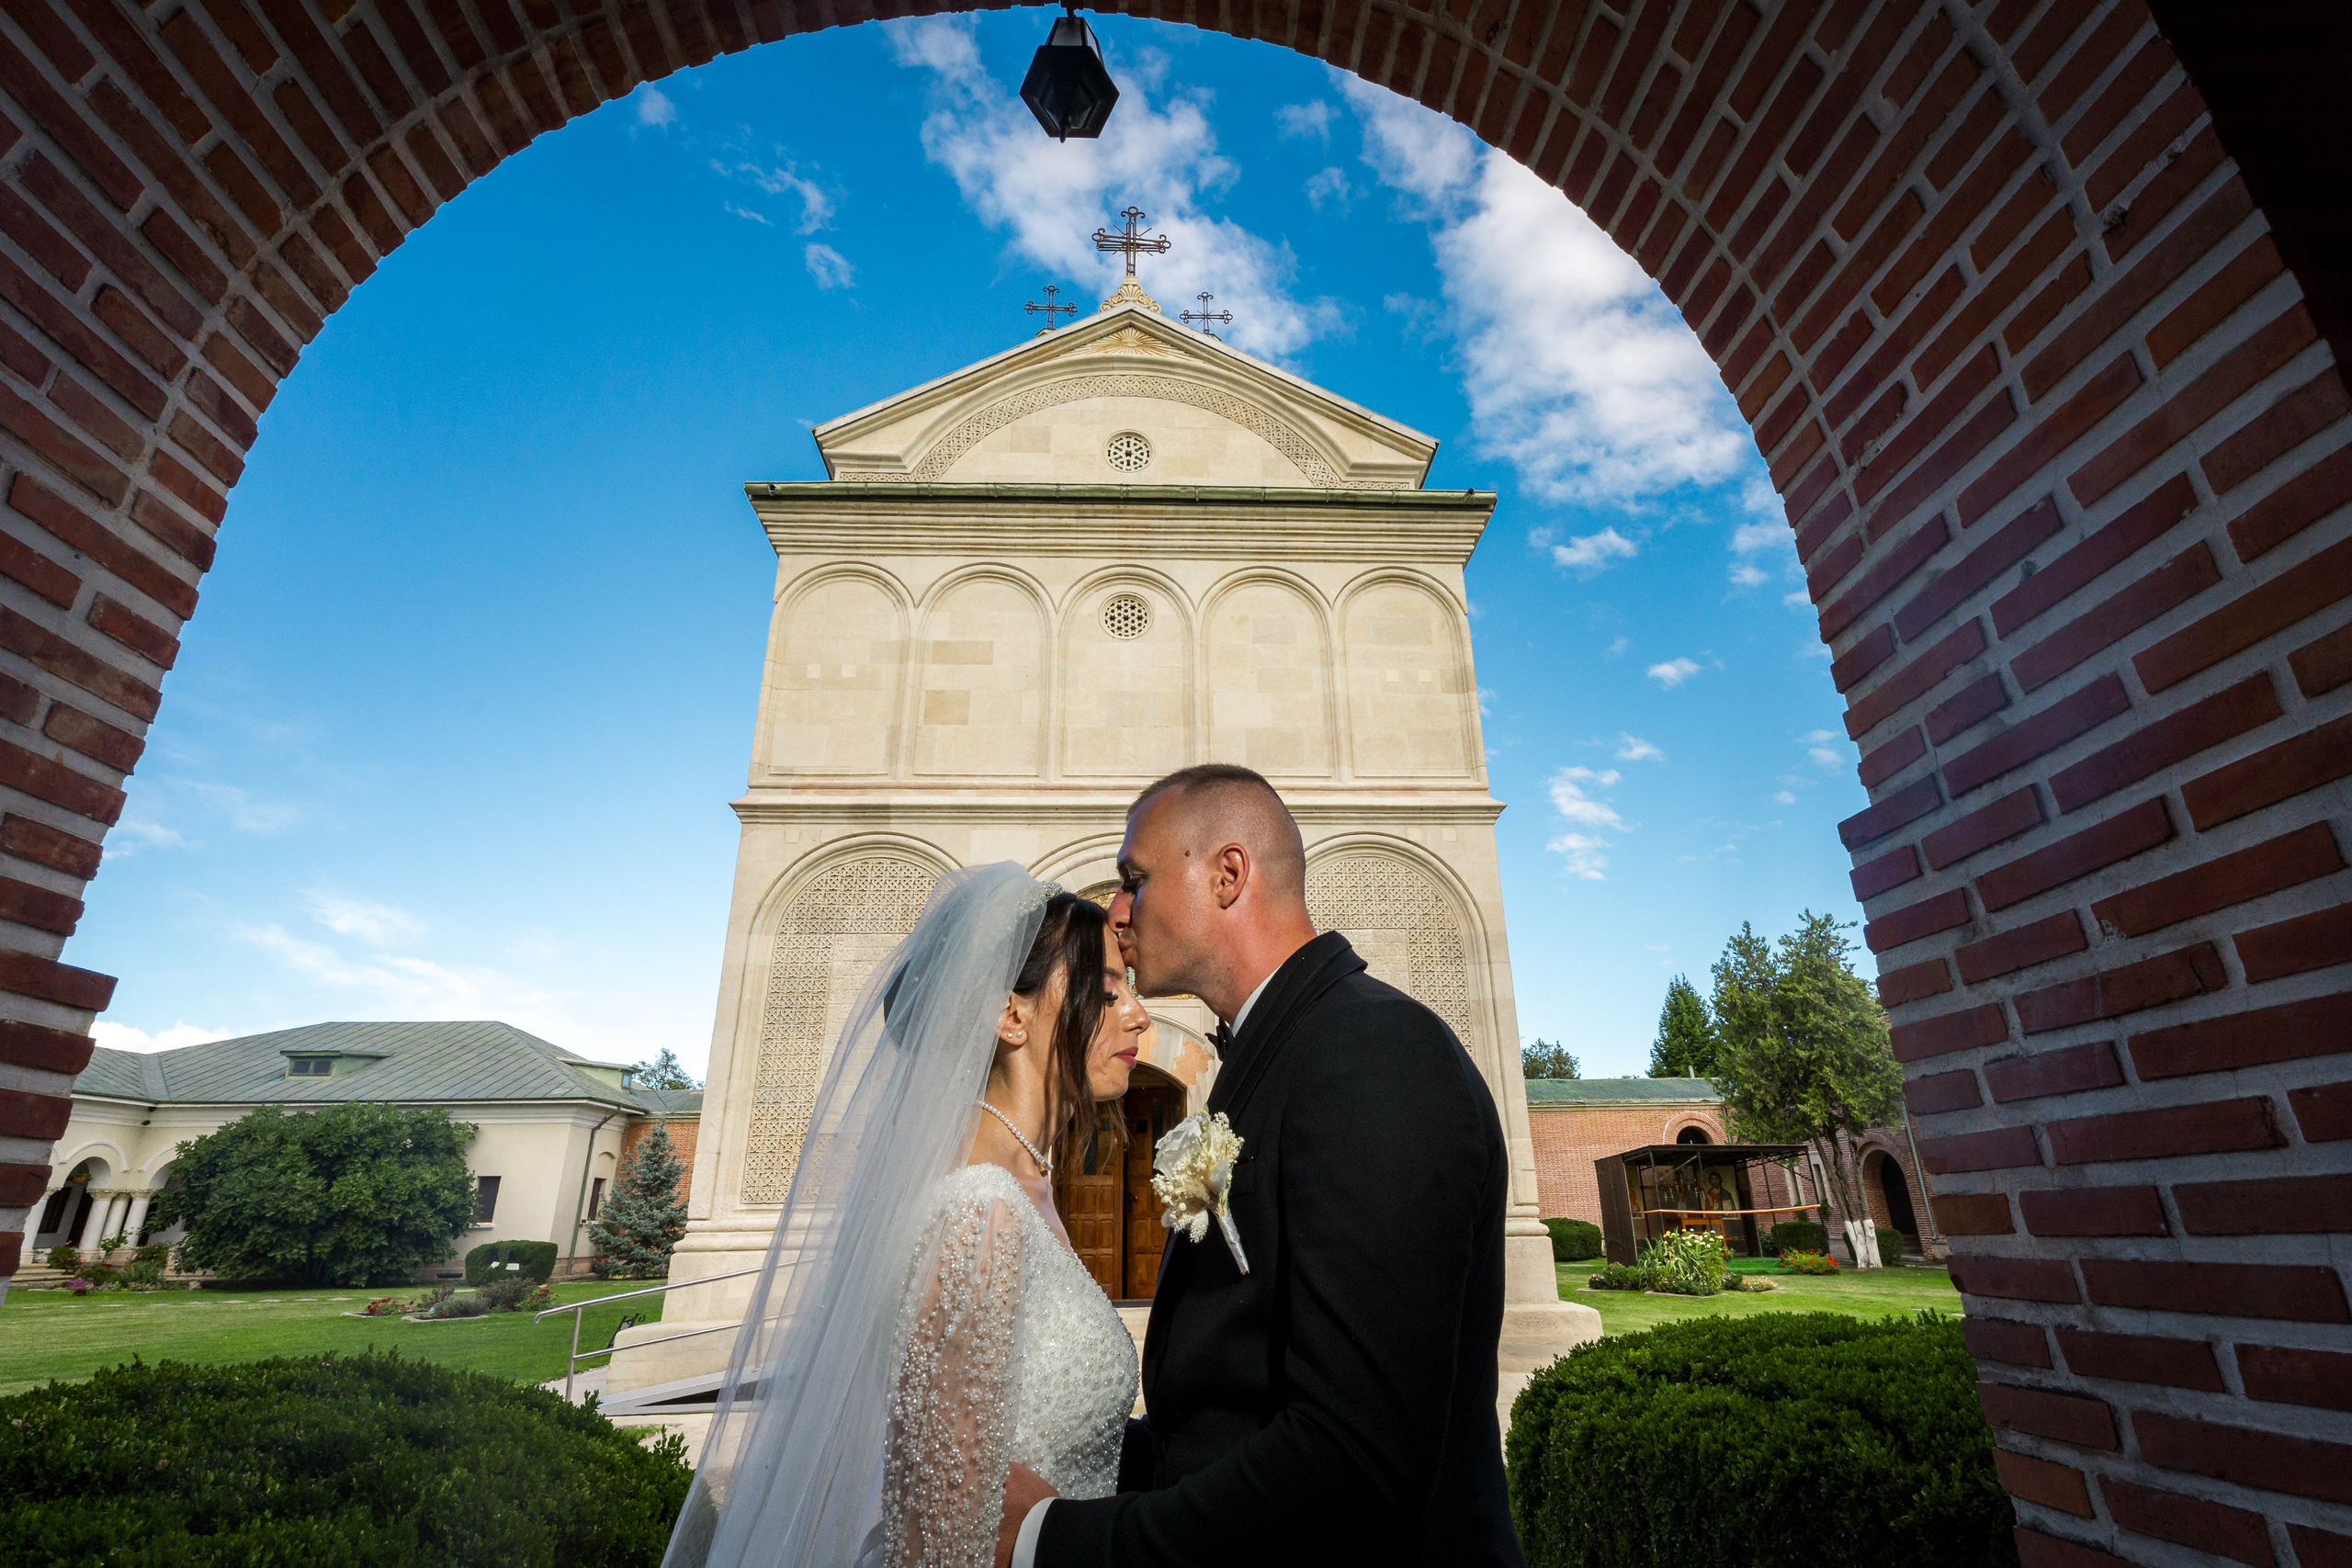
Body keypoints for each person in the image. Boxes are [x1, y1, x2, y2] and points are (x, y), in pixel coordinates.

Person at [1007, 763, 1524, 1568]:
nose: (1116, 911)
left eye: (1134, 879)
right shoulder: (1284, 1054)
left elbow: (1352, 1463)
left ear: (1227, 874)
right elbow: (1226, 1413)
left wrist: (1052, 1541)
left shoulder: (1374, 1055)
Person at [664, 865, 1153, 1568]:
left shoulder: (1025, 1187)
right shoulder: (975, 1210)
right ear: (1009, 1014)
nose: (1138, 1013)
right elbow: (941, 1535)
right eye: (1106, 992)